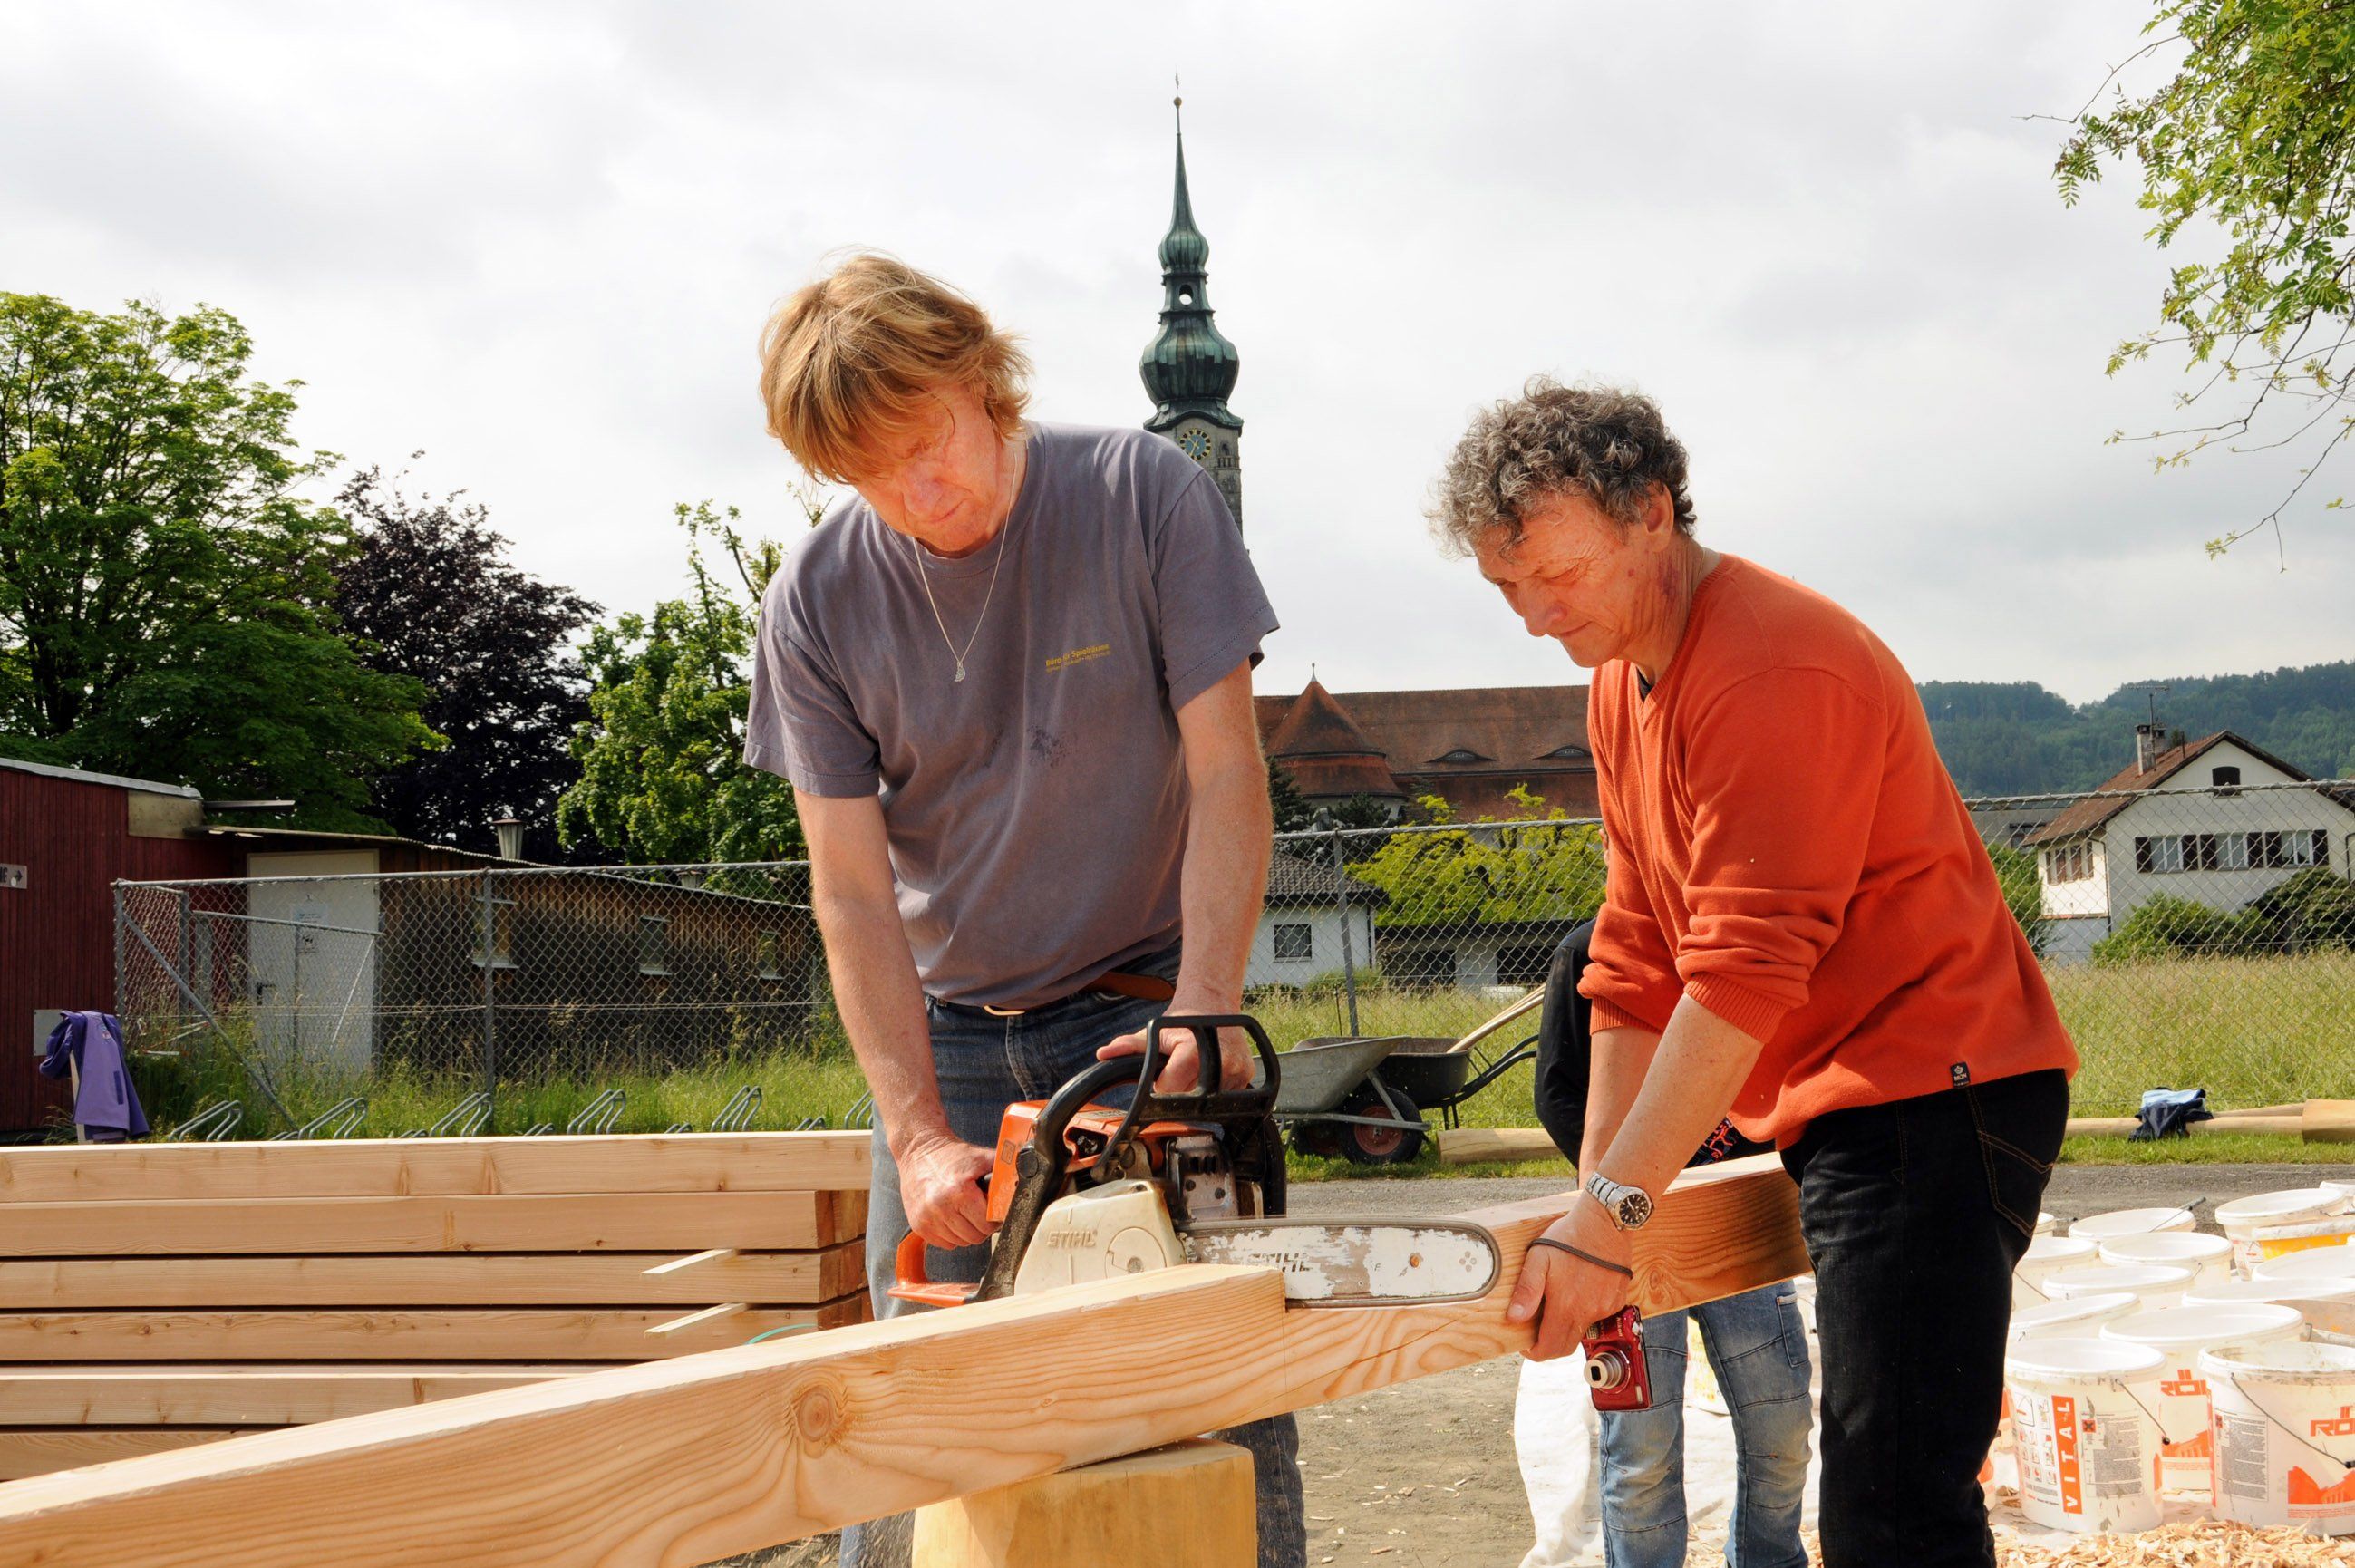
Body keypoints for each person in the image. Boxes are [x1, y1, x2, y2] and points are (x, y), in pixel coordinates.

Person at [1432, 380, 2076, 1568]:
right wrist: (1595, 1203)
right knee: (1885, 1493)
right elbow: (1635, 955)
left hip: (1933, 1090)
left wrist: (1612, 1215)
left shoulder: (1768, 665)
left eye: (1556, 573)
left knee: (1893, 1507)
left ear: (1650, 511)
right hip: (1848, 1097)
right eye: (1505, 587)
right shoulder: (1618, 680)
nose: (1533, 614)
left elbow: (1739, 974)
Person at [744, 254, 1303, 1568]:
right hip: (947, 1035)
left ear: (981, 378)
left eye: (927, 443)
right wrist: (915, 1134)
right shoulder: (816, 600)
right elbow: (851, 890)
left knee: (1223, 1386)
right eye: (870, 475)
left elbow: (1228, 774)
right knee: (906, 1409)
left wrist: (1205, 1007)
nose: (917, 493)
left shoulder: (1140, 494)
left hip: (1143, 1011)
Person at [1526, 922, 1811, 1568]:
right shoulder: (1590, 952)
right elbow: (1558, 1093)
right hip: (1631, 1229)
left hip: (1734, 1219)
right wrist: (1628, 1191)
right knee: (1642, 1452)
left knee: (1782, 1424)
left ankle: (1769, 1558)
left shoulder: (1748, 942)